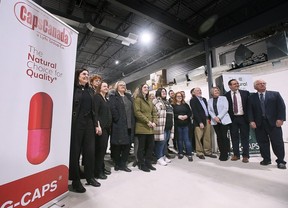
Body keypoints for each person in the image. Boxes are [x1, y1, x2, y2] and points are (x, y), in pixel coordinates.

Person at [69, 69, 100, 193]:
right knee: (75, 153)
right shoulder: (73, 89)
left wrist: (96, 124)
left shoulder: (90, 91)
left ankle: (90, 177)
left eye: (87, 75)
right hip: (76, 124)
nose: (86, 76)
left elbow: (94, 110)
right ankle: (75, 181)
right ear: (78, 76)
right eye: (84, 74)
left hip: (89, 124)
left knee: (89, 152)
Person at [248, 80, 286, 169]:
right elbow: (250, 110)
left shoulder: (275, 94)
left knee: (277, 142)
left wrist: (281, 119)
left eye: (263, 83)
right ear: (255, 87)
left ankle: (281, 161)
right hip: (259, 124)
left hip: (274, 123)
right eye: (259, 84)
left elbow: (281, 107)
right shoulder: (251, 98)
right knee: (263, 143)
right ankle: (266, 159)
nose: (262, 85)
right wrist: (251, 121)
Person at [109, 81, 135, 172]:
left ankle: (123, 163)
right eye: (121, 85)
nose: (123, 86)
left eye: (124, 85)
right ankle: (117, 163)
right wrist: (117, 119)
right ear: (117, 87)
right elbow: (112, 108)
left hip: (129, 124)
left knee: (127, 145)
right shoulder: (113, 96)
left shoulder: (128, 97)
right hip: (118, 124)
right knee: (117, 146)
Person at [224, 79, 250, 163]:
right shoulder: (226, 95)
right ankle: (236, 155)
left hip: (243, 118)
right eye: (234, 84)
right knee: (234, 137)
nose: (237, 85)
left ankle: (245, 155)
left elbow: (249, 107)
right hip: (233, 119)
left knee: (245, 137)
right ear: (230, 86)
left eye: (237, 83)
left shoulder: (245, 93)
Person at [133, 84, 158, 172]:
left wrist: (155, 122)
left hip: (151, 127)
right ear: (141, 89)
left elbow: (154, 112)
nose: (146, 89)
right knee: (141, 147)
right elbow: (137, 113)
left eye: (147, 88)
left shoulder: (149, 100)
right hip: (142, 127)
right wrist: (148, 121)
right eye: (144, 87)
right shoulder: (138, 99)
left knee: (150, 147)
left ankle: (148, 162)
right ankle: (141, 164)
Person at [190, 87, 217, 159]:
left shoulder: (204, 99)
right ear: (194, 93)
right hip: (199, 121)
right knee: (198, 137)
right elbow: (195, 112)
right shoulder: (193, 100)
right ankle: (199, 152)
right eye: (197, 91)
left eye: (200, 90)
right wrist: (200, 122)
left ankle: (207, 151)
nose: (199, 91)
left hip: (207, 119)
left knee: (207, 136)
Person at [94, 81, 112, 179]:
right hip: (101, 128)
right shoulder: (97, 97)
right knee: (100, 150)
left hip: (107, 128)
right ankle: (98, 171)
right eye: (104, 86)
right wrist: (97, 125)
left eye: (107, 86)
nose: (106, 87)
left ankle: (102, 167)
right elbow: (95, 112)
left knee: (103, 150)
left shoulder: (106, 99)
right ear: (100, 88)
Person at [208, 87, 232, 161]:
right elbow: (209, 110)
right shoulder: (210, 100)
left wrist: (218, 117)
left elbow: (226, 108)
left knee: (224, 137)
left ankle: (226, 153)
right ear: (212, 92)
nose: (217, 91)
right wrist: (215, 117)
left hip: (223, 120)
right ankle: (222, 152)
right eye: (215, 91)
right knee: (219, 137)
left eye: (218, 90)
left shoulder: (223, 98)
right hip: (215, 121)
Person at [153, 88, 174, 166]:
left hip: (168, 125)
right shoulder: (156, 101)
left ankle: (163, 155)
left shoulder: (167, 102)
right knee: (160, 142)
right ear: (159, 93)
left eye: (165, 91)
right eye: (162, 91)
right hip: (161, 125)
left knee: (165, 142)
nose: (164, 92)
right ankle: (159, 157)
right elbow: (154, 112)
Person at [172, 91, 193, 161]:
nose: (179, 97)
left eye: (180, 96)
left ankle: (189, 154)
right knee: (179, 140)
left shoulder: (185, 105)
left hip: (186, 124)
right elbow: (172, 115)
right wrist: (178, 116)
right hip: (178, 125)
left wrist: (186, 116)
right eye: (178, 96)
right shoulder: (173, 105)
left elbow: (190, 113)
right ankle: (180, 153)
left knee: (187, 140)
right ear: (175, 97)